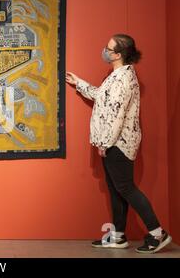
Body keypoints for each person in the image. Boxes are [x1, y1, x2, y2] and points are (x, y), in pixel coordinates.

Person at [66, 34, 172, 254]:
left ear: (117, 54)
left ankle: (157, 233)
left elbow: (116, 115)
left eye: (108, 48)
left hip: (119, 144)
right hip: (115, 142)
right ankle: (118, 236)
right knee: (116, 190)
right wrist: (80, 84)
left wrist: (105, 143)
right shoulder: (118, 75)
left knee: (126, 188)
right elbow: (102, 98)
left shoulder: (123, 79)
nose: (104, 50)